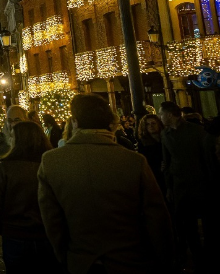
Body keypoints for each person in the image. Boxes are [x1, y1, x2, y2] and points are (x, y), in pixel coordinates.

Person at [38, 94, 172, 274]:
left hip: (82, 261)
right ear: (110, 123)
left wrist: (66, 256)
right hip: (130, 260)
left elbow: (52, 221)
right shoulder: (133, 161)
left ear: (75, 122)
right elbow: (156, 218)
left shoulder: (51, 161)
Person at [0, 121, 58, 273]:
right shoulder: (51, 165)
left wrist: (0, 228)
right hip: (47, 235)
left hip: (15, 235)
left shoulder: (4, 169)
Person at [160, 100, 214, 271]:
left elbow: (207, 160)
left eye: (161, 114)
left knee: (207, 222)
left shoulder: (196, 131)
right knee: (187, 224)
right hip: (180, 185)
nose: (160, 117)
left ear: (169, 115)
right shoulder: (166, 134)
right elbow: (167, 162)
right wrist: (169, 186)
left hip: (200, 183)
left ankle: (208, 256)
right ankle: (198, 256)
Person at [136, 113, 166, 193]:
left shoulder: (166, 139)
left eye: (153, 123)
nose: (151, 126)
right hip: (154, 176)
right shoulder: (143, 143)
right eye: (147, 124)